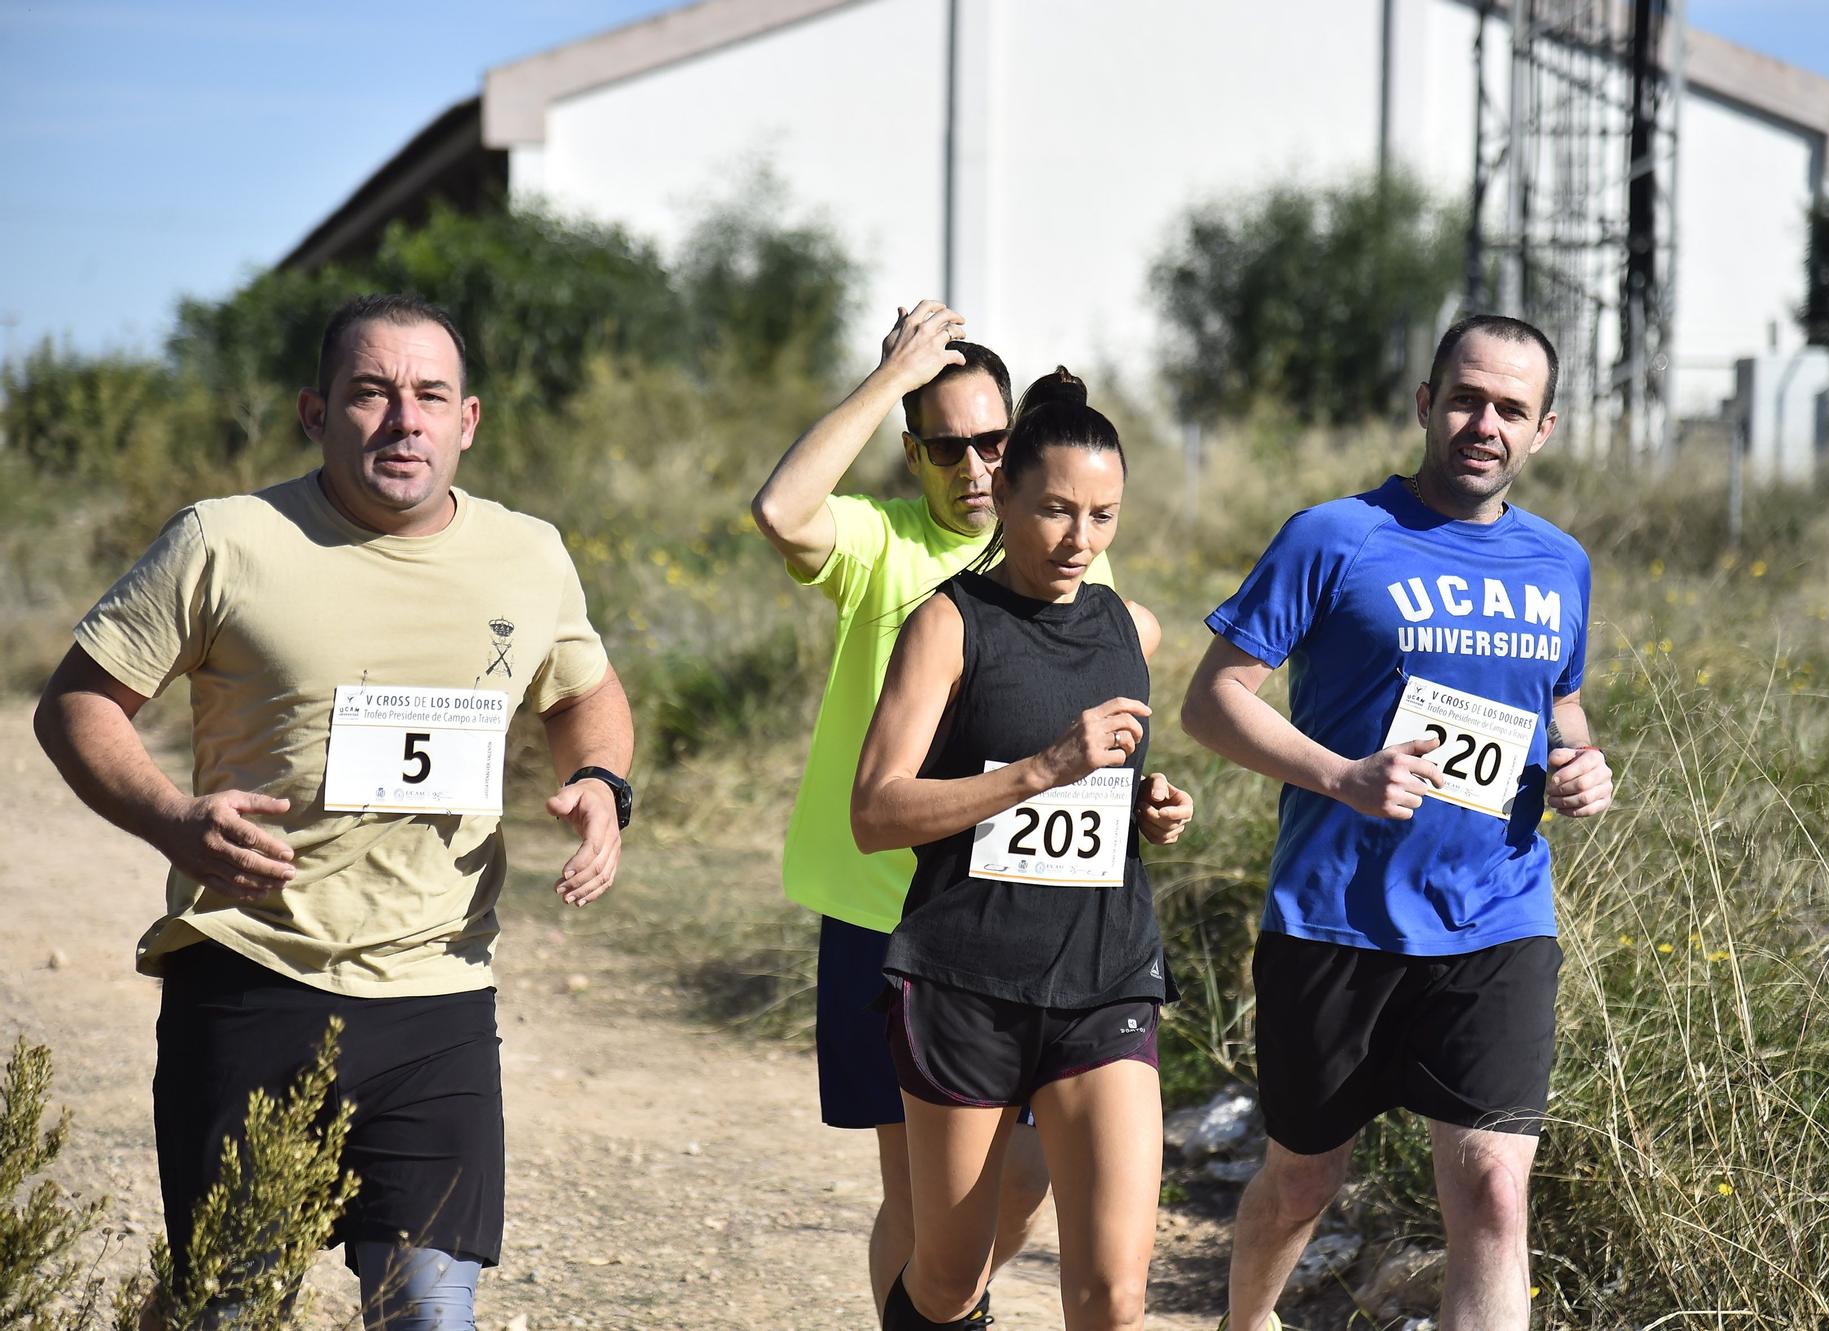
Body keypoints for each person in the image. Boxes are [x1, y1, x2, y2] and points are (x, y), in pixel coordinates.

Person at [34, 294, 634, 1330]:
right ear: (317, 412)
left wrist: (601, 783)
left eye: (429, 395)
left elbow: (583, 689)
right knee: (235, 1309)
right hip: (251, 978)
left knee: (429, 1315)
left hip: (439, 990)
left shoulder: (527, 553)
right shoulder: (225, 539)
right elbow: (77, 703)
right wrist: (175, 820)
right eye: (371, 392)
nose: (403, 418)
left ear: (468, 420)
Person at [1180, 315, 1615, 1331]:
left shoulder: (1559, 563)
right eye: (1465, 398)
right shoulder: (1331, 535)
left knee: (1495, 1194)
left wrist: (1579, 765)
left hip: (1496, 915)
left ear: (1541, 429)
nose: (1483, 423)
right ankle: (1246, 1323)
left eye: (1510, 408)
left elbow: (1558, 707)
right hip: (1335, 919)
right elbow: (1212, 699)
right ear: (1425, 403)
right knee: (1301, 1179)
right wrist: (1340, 774)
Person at [752, 303, 1114, 1319]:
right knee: (915, 1192)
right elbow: (782, 510)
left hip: (1031, 916)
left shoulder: (1067, 549)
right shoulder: (879, 545)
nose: (973, 467)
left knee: (1026, 1174)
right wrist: (884, 380)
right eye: (945, 445)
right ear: (912, 453)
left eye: (992, 442)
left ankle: (954, 1299)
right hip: (888, 917)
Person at [851, 369, 1194, 1331]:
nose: (1079, 540)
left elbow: (1103, 790)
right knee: (951, 1278)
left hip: (1106, 976)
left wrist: (1146, 808)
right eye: (1053, 510)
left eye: (1103, 515)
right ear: (1002, 493)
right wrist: (1041, 769)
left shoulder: (1132, 629)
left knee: (1115, 1294)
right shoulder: (949, 624)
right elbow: (875, 811)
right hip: (968, 983)